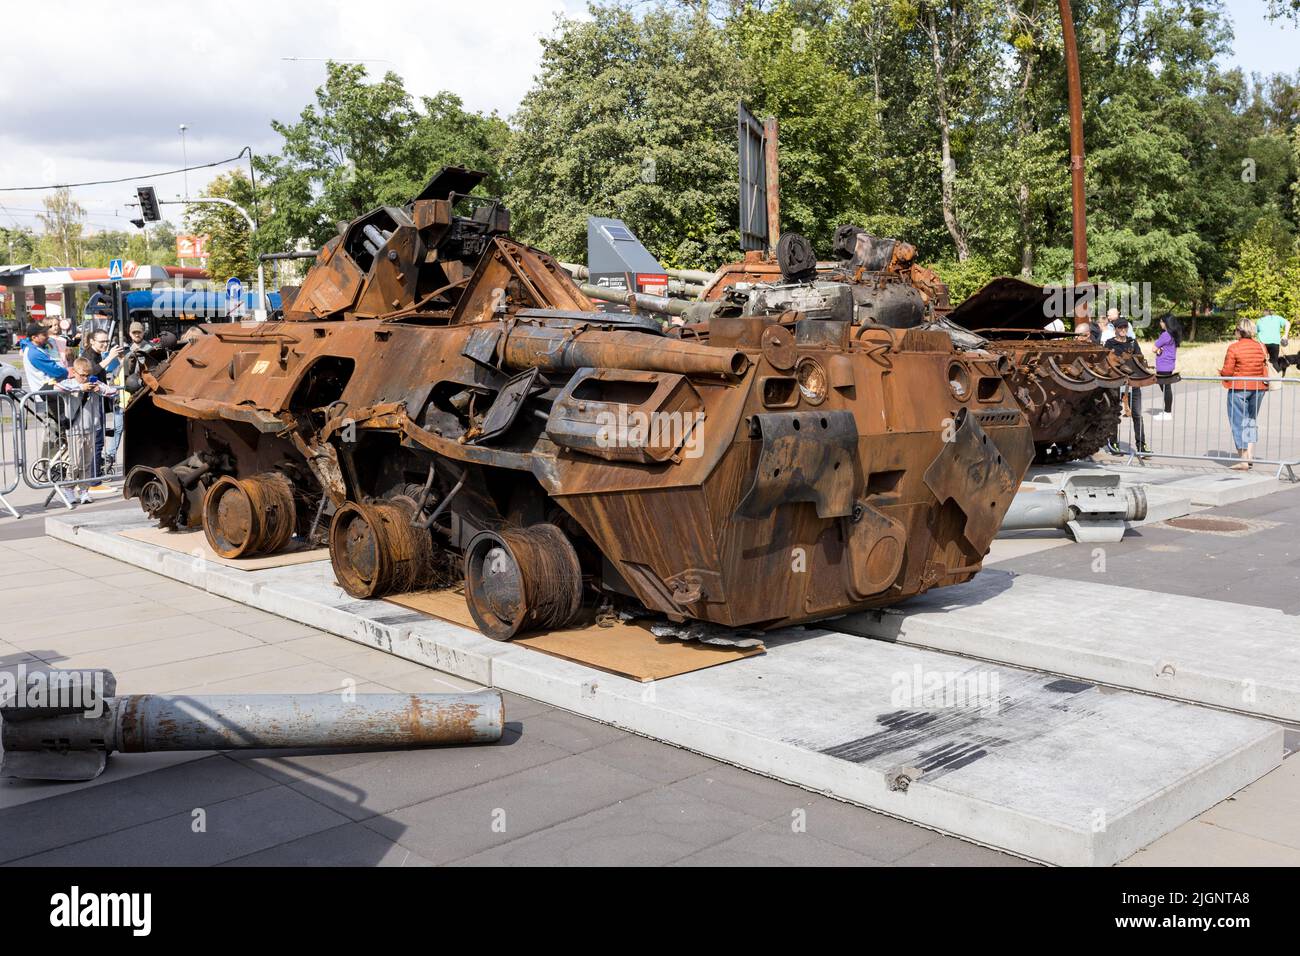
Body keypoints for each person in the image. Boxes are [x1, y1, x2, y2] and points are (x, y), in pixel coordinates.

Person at [54, 357, 119, 502]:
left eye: (88, 375)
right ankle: (69, 489)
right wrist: (79, 388)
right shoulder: (69, 383)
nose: (86, 378)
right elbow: (56, 387)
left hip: (91, 428)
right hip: (75, 429)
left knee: (87, 462)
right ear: (75, 372)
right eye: (83, 375)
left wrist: (99, 389)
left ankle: (84, 490)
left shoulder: (94, 382)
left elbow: (113, 391)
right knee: (76, 462)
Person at [1219, 317, 1270, 470]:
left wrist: (1221, 373)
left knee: (1237, 421)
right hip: (1259, 387)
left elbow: (1227, 371)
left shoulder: (1234, 348)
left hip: (1239, 388)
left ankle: (1243, 459)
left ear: (1239, 331)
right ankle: (1250, 456)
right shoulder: (1261, 346)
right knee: (1250, 421)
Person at [79, 329, 126, 474]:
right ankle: (94, 479)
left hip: (98, 402)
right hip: (90, 404)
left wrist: (120, 360)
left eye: (107, 341)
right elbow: (91, 372)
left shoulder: (98, 354)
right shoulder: (87, 356)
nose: (105, 344)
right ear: (92, 341)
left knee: (99, 441)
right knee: (96, 441)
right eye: (102, 341)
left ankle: (95, 475)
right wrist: (110, 357)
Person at [1105, 319, 1148, 455]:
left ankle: (1141, 446)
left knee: (1137, 414)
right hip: (1116, 383)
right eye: (1120, 327)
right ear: (1115, 329)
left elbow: (1139, 359)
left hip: (1133, 383)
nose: (1123, 329)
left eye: (1125, 327)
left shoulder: (1132, 342)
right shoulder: (1110, 343)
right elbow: (1107, 362)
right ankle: (1113, 444)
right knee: (1114, 414)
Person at [1151, 315, 1183, 420]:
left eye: (1161, 321)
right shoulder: (1173, 335)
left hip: (1163, 364)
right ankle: (1167, 411)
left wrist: (1158, 350)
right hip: (1169, 364)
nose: (1160, 323)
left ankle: (1167, 412)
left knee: (1165, 388)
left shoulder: (1165, 335)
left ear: (1166, 323)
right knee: (1166, 388)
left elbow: (1154, 348)